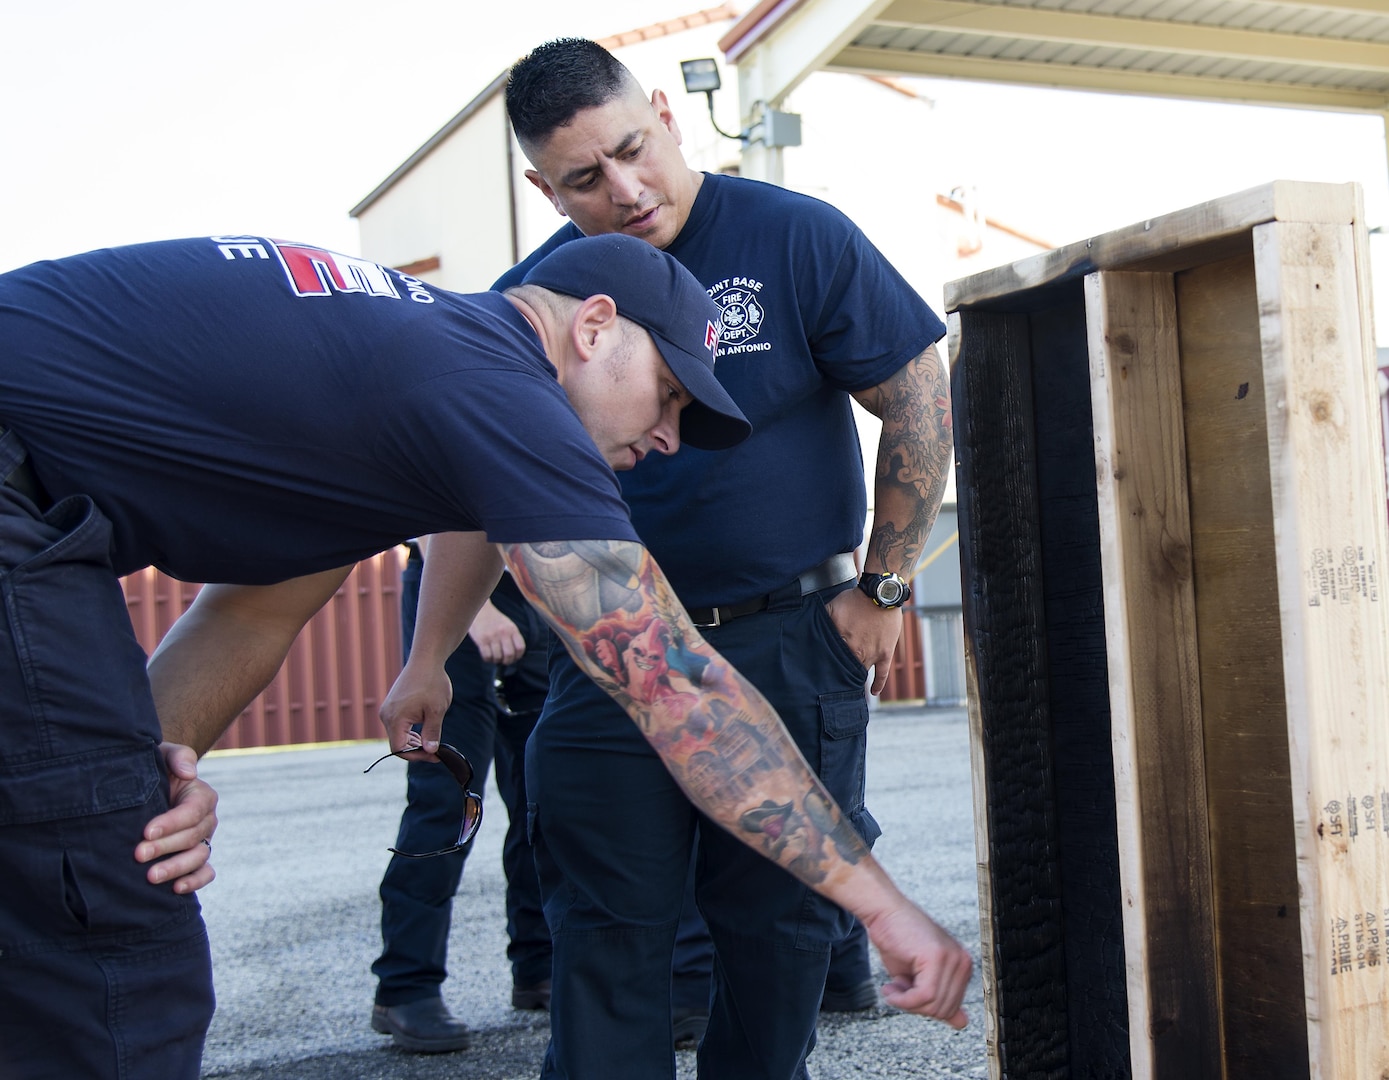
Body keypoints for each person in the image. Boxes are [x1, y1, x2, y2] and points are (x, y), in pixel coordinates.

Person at [0, 229, 761, 1078]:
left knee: (83, 874)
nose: (666, 437)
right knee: (113, 958)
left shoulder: (379, 373)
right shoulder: (492, 377)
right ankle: (405, 982)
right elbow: (668, 678)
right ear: (593, 329)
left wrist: (149, 788)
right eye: (665, 394)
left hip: (31, 479)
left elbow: (251, 616)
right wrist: (877, 904)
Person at [483, 36, 959, 1079]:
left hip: (787, 636)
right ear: (540, 186)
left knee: (780, 929)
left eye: (632, 148)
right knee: (607, 931)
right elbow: (474, 476)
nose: (624, 189)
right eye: (582, 179)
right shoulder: (530, 301)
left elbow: (918, 396)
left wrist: (884, 585)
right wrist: (437, 640)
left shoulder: (796, 236)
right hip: (610, 660)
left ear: (662, 110)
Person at [370, 548, 553, 1053]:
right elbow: (427, 508)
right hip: (454, 602)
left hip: (535, 598)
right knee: (448, 801)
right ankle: (406, 986)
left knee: (544, 795)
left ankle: (539, 965)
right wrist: (477, 613)